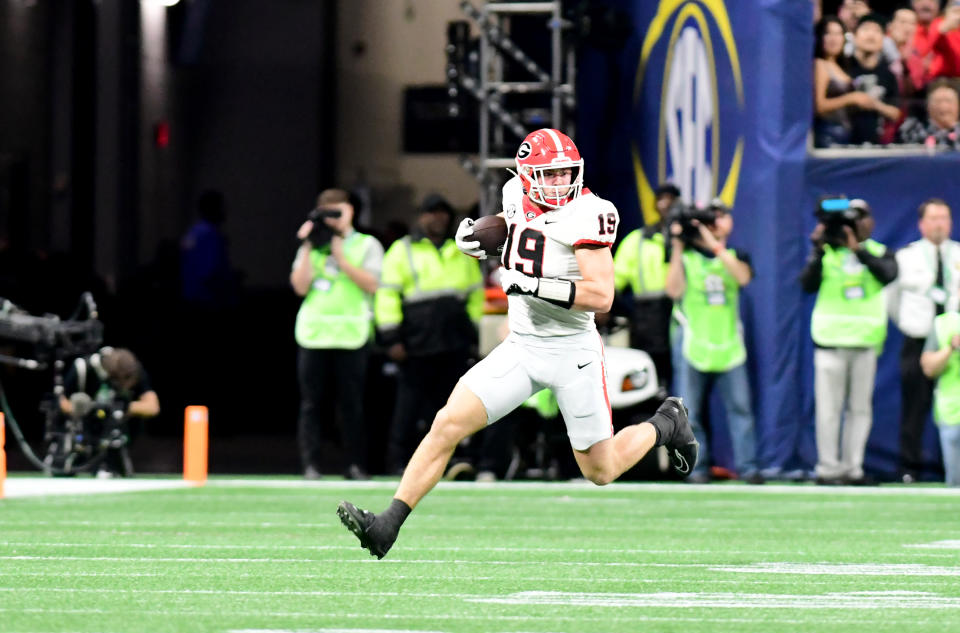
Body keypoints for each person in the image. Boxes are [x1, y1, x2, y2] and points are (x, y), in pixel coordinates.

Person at [337, 128, 699, 559]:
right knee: (447, 424)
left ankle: (666, 423)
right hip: (523, 346)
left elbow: (602, 295)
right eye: (549, 174)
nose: (560, 182)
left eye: (567, 173)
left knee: (601, 470)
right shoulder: (513, 193)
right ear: (525, 177)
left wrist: (534, 285)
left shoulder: (591, 212)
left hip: (572, 352)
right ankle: (387, 525)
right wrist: (474, 239)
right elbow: (515, 230)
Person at [376, 193, 484, 474]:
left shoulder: (460, 250)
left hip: (453, 343)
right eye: (432, 212)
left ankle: (452, 464)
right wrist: (392, 339)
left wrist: (472, 332)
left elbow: (476, 294)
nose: (439, 218)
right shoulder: (403, 250)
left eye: (443, 213)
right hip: (416, 343)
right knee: (407, 409)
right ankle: (399, 463)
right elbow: (387, 296)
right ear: (421, 216)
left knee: (452, 410)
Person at [800, 198, 898, 485]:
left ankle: (853, 468)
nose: (856, 224)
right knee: (829, 410)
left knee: (859, 410)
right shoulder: (827, 252)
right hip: (830, 342)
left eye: (861, 217)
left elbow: (888, 274)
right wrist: (818, 249)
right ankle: (828, 469)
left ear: (870, 222)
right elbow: (806, 284)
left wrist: (859, 249)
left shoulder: (878, 252)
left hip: (865, 343)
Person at [664, 200, 762, 485]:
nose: (714, 222)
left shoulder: (734, 255)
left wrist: (714, 243)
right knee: (689, 413)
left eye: (720, 217)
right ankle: (697, 469)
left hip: (729, 345)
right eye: (710, 219)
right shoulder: (688, 257)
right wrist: (679, 246)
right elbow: (673, 290)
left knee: (741, 410)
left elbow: (743, 277)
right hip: (694, 343)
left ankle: (748, 466)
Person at [290, 188, 384, 480]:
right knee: (312, 404)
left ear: (350, 211)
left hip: (351, 332)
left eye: (337, 211)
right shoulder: (313, 245)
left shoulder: (367, 245)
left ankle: (355, 464)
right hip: (314, 332)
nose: (332, 218)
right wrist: (307, 245)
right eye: (326, 212)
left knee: (351, 403)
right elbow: (300, 287)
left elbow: (373, 284)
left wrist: (341, 256)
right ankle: (311, 464)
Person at [888, 198, 960, 483]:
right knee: (914, 407)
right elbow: (891, 299)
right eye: (933, 218)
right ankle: (910, 468)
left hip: (953, 342)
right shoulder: (906, 257)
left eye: (944, 217)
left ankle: (952, 469)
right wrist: (909, 323)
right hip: (918, 338)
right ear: (921, 224)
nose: (939, 223)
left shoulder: (958, 254)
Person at [613, 183, 679, 393]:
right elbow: (613, 282)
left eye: (673, 199)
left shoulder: (689, 242)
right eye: (662, 199)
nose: (667, 205)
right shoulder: (637, 240)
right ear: (654, 204)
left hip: (685, 318)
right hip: (648, 322)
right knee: (649, 382)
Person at [59, 347, 160, 478]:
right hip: (83, 426)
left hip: (116, 428)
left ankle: (113, 462)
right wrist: (87, 408)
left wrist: (123, 408)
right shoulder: (83, 368)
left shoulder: (133, 370)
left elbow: (153, 407)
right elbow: (62, 403)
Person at [920, 292, 960, 486]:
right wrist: (951, 348)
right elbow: (928, 367)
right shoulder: (945, 324)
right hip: (952, 412)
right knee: (955, 485)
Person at [847, 14, 902, 145]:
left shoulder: (888, 74)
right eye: (866, 29)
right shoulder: (843, 67)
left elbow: (896, 113)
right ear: (854, 36)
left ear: (883, 40)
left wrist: (875, 104)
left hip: (877, 145)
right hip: (843, 142)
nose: (871, 35)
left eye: (877, 31)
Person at [813, 15, 864, 147]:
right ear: (820, 37)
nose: (834, 39)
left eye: (838, 34)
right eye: (828, 33)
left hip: (846, 135)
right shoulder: (819, 64)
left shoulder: (842, 67)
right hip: (828, 134)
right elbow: (819, 106)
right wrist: (851, 98)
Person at [897, 79, 960, 150]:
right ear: (928, 106)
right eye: (938, 101)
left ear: (958, 105)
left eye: (948, 101)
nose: (943, 106)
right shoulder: (912, 129)